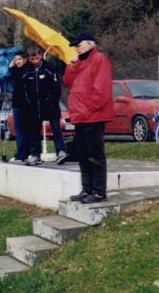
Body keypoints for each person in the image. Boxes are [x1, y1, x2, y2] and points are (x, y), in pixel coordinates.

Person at [63, 32, 114, 203]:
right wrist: (72, 66)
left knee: (95, 155)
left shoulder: (99, 59)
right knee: (83, 155)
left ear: (91, 44)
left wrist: (88, 108)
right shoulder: (79, 63)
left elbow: (101, 89)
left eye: (79, 44)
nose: (76, 47)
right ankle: (87, 189)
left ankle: (99, 191)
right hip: (80, 116)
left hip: (92, 116)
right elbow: (67, 82)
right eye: (75, 45)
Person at [22, 46, 68, 165]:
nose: (35, 61)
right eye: (32, 59)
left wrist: (51, 101)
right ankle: (35, 155)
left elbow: (57, 87)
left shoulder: (49, 69)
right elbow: (23, 89)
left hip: (50, 105)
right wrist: (28, 103)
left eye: (37, 58)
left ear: (41, 56)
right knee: (34, 131)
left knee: (56, 129)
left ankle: (61, 151)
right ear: (28, 59)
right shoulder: (26, 71)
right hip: (34, 107)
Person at [8, 51, 30, 162]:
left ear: (25, 59)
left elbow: (12, 70)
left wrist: (12, 65)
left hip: (27, 104)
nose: (17, 62)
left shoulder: (27, 70)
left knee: (27, 129)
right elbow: (11, 70)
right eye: (16, 59)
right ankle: (21, 153)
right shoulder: (15, 70)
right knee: (19, 130)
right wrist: (13, 62)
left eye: (20, 59)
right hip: (17, 104)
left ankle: (29, 152)